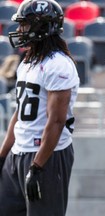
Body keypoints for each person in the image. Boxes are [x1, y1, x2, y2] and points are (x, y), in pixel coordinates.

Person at [0, 0, 79, 215]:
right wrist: (4, 154)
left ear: (43, 26)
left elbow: (56, 120)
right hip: (19, 152)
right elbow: (19, 113)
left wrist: (37, 166)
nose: (19, 30)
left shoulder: (59, 64)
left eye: (25, 24)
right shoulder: (27, 61)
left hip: (46, 155)